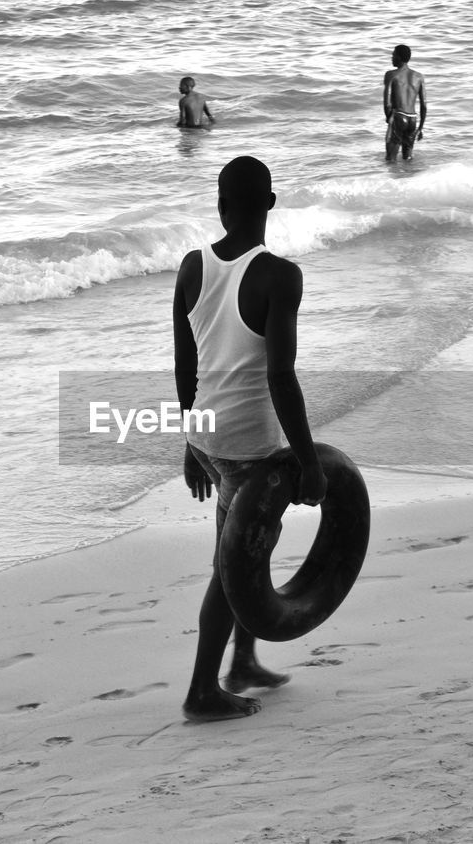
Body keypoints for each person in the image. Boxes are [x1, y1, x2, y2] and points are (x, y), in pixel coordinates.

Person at [172, 156, 327, 722]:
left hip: (210, 435)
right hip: (250, 449)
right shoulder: (279, 276)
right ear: (271, 202)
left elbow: (185, 366)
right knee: (230, 567)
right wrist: (309, 463)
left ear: (220, 204)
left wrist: (190, 443)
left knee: (245, 549)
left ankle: (242, 664)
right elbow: (280, 376)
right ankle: (201, 692)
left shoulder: (192, 267)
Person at [383, 44, 427, 160]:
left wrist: (389, 118)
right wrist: (420, 128)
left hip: (398, 116)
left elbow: (387, 102)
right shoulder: (419, 77)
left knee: (390, 159)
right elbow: (424, 105)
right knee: (408, 158)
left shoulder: (390, 75)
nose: (391, 57)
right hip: (413, 119)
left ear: (399, 57)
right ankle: (409, 177)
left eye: (393, 55)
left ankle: (392, 178)